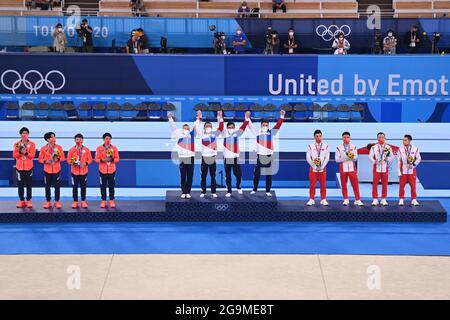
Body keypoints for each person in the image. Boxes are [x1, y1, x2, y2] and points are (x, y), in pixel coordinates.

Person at [249, 109, 285, 196]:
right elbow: (250, 126)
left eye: (266, 125)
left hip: (269, 156)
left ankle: (268, 191)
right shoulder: (257, 132)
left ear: (268, 126)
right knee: (257, 174)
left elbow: (278, 125)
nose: (265, 126)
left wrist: (282, 116)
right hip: (260, 156)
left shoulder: (271, 133)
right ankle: (254, 189)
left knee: (269, 175)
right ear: (261, 125)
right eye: (263, 125)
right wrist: (247, 118)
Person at [168, 111, 201, 199]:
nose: (186, 129)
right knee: (183, 176)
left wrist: (198, 117)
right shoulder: (178, 135)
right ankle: (183, 191)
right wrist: (170, 118)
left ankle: (188, 192)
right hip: (182, 158)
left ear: (189, 130)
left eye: (187, 128)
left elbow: (196, 125)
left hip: (190, 158)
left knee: (190, 176)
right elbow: (173, 127)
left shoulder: (192, 135)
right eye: (184, 128)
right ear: (182, 129)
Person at [195, 110, 224, 198]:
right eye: (207, 126)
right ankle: (203, 191)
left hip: (212, 158)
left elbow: (221, 127)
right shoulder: (201, 134)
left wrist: (220, 117)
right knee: (203, 176)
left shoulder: (215, 134)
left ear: (212, 127)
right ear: (204, 128)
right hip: (204, 158)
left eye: (210, 126)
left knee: (213, 176)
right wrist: (199, 116)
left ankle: (213, 191)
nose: (208, 127)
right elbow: (197, 126)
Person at [222, 111, 250, 197]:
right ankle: (229, 191)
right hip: (227, 159)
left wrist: (246, 118)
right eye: (229, 127)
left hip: (235, 158)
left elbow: (244, 126)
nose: (231, 128)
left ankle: (238, 187)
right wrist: (219, 117)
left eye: (232, 127)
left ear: (234, 128)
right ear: (227, 128)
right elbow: (220, 125)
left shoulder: (237, 134)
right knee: (228, 176)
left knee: (238, 174)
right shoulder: (224, 134)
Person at [335, 132, 364, 206]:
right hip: (343, 168)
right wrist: (346, 157)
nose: (346, 139)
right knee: (344, 185)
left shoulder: (354, 147)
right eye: (344, 137)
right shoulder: (339, 148)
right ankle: (345, 199)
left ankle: (357, 199)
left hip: (352, 168)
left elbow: (356, 158)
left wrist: (352, 157)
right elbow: (336, 160)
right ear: (342, 138)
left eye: (347, 137)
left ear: (350, 138)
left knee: (355, 185)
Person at [38, 132, 65, 209]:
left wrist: (58, 159)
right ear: (48, 139)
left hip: (57, 170)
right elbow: (40, 159)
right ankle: (48, 201)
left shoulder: (59, 147)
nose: (54, 138)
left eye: (54, 137)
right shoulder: (43, 148)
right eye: (52, 137)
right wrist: (46, 161)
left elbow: (63, 158)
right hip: (47, 171)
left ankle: (57, 201)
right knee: (47, 186)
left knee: (57, 186)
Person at [67, 133, 92, 209]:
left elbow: (90, 160)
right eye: (77, 139)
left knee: (83, 187)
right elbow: (68, 160)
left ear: (83, 140)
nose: (79, 141)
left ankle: (83, 201)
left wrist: (85, 163)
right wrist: (73, 163)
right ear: (74, 141)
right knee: (74, 187)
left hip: (84, 172)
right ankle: (75, 201)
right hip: (74, 172)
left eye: (80, 139)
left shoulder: (86, 150)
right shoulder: (71, 150)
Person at [95, 133, 120, 208]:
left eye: (109, 139)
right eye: (106, 138)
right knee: (103, 186)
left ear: (111, 140)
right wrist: (102, 160)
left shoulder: (114, 148)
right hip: (102, 171)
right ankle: (104, 201)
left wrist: (112, 159)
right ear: (103, 139)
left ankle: (111, 200)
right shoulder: (99, 148)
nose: (108, 140)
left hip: (112, 170)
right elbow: (96, 159)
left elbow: (117, 158)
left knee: (111, 186)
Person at [13, 127, 36, 208]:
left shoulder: (32, 144)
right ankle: (21, 200)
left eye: (26, 133)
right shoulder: (16, 144)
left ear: (28, 134)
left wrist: (25, 153)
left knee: (29, 185)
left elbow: (32, 156)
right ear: (20, 134)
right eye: (23, 133)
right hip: (19, 168)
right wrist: (20, 152)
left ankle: (29, 200)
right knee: (20, 185)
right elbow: (14, 155)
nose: (24, 135)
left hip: (29, 168)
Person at [369, 132, 394, 206]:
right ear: (377, 138)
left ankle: (383, 199)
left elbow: (392, 157)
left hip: (384, 168)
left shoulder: (388, 147)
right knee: (375, 184)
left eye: (382, 137)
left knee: (385, 184)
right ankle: (375, 199)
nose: (381, 139)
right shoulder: (374, 147)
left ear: (385, 138)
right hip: (376, 167)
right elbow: (370, 156)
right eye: (379, 137)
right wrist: (375, 161)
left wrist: (387, 159)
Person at [306, 130, 330, 206]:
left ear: (322, 136)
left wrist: (322, 166)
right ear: (314, 137)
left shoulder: (326, 146)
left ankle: (323, 199)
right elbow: (308, 157)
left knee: (323, 185)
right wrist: (314, 166)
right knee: (312, 185)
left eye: (320, 136)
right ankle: (311, 199)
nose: (318, 137)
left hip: (322, 169)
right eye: (317, 136)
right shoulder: (310, 146)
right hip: (313, 169)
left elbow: (327, 157)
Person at [397, 134, 421, 206]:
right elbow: (398, 161)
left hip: (411, 171)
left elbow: (419, 158)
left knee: (413, 186)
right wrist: (398, 171)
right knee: (401, 186)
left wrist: (413, 165)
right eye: (403, 140)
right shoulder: (400, 149)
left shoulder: (415, 148)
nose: (403, 141)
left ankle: (414, 199)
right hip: (403, 170)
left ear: (409, 141)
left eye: (405, 140)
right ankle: (401, 199)